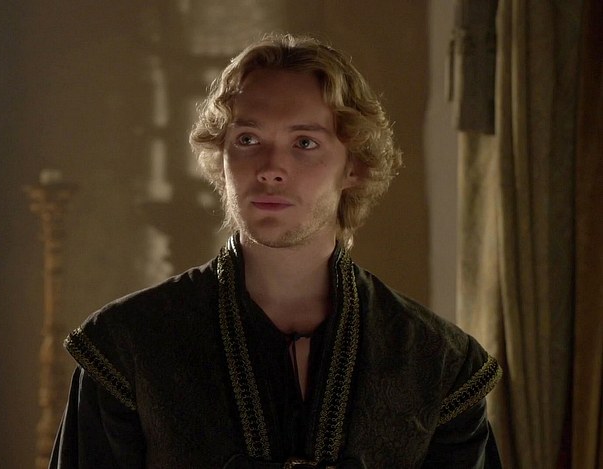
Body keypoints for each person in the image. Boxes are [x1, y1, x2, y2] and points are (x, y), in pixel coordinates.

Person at [49, 33, 502, 468]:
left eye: (304, 143)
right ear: (221, 156)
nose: (270, 169)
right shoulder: (126, 347)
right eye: (248, 140)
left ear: (353, 166)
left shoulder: (439, 363)